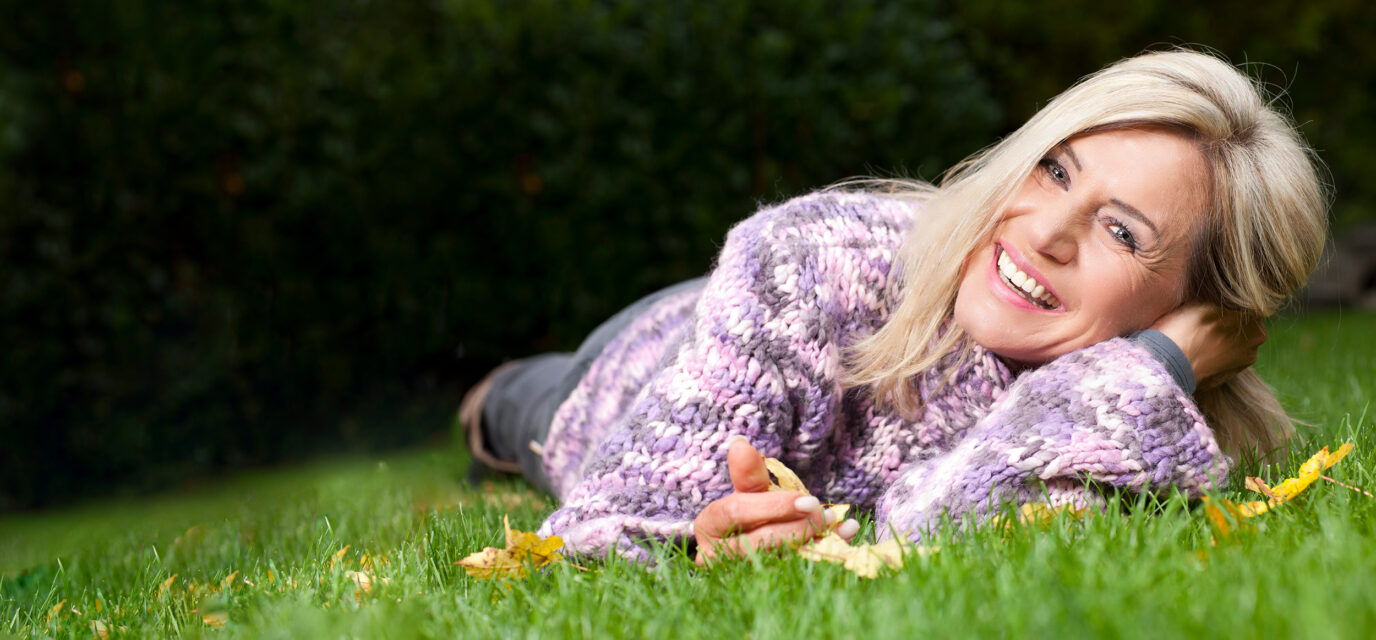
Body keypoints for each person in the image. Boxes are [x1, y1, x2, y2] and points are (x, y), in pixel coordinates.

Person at [459, 49, 1327, 564]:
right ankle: (490, 398)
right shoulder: (806, 263)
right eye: (1055, 169)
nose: (1045, 232)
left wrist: (1148, 371)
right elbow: (606, 529)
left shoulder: (1140, 409)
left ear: (1199, 309)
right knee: (523, 408)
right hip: (638, 361)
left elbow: (933, 532)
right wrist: (696, 542)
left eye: (1121, 231)